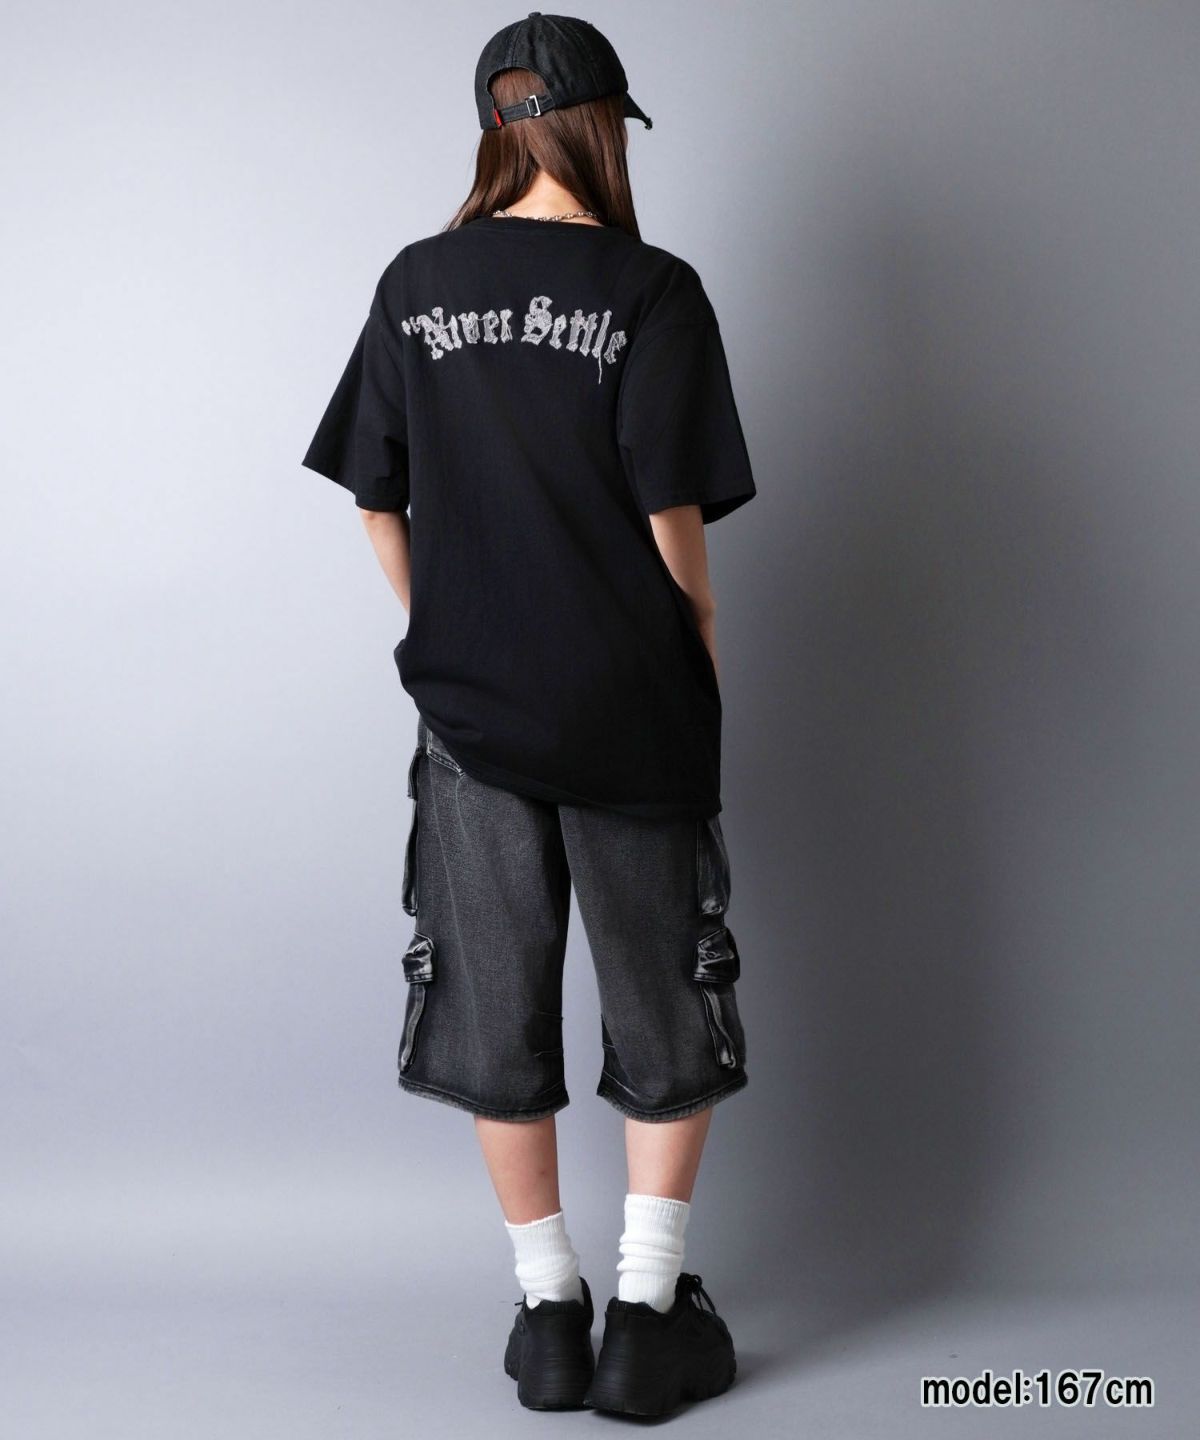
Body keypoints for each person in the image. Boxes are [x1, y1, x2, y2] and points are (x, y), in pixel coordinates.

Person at [301, 11, 757, 1419]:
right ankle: (645, 1319)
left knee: (495, 1010)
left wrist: (443, 621)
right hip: (629, 709)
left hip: (472, 715)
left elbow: (375, 493)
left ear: (494, 129)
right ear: (601, 125)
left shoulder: (416, 282)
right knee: (664, 1006)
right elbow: (672, 520)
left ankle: (548, 1311)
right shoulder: (653, 289)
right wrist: (699, 643)